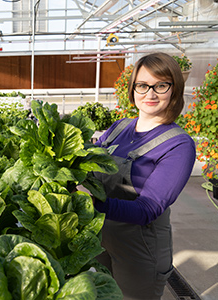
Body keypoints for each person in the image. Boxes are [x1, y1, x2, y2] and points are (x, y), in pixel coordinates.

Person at [92, 52, 196, 299]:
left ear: (174, 90)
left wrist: (91, 206)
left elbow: (148, 208)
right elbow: (88, 161)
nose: (150, 94)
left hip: (140, 247)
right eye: (142, 85)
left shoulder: (178, 145)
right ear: (133, 89)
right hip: (101, 237)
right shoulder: (119, 128)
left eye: (161, 85)